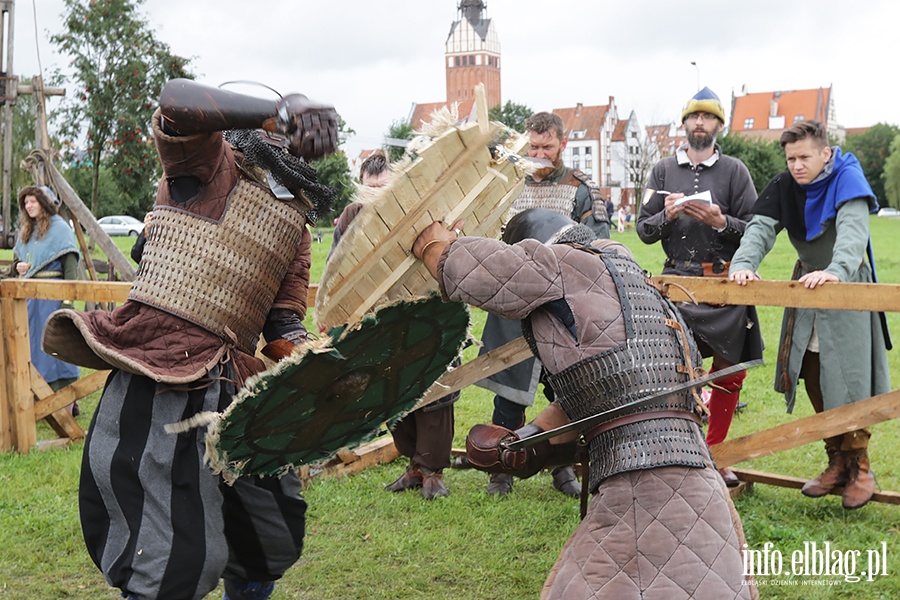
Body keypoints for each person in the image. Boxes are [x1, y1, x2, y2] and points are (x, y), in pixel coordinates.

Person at [42, 78, 338, 600]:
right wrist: (277, 110)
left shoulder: (294, 219)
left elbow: (282, 326)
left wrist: (321, 366)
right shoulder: (206, 165)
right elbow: (176, 101)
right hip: (162, 380)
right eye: (276, 130)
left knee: (263, 540)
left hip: (236, 393)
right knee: (165, 556)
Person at [411, 208, 753, 599]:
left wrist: (437, 247)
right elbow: (604, 391)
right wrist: (525, 444)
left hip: (643, 487)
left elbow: (482, 271)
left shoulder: (564, 262)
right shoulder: (635, 282)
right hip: (699, 484)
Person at [730, 119, 890, 510]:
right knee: (813, 371)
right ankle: (836, 461)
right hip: (807, 287)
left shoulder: (848, 178)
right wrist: (744, 263)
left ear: (826, 154)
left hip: (847, 287)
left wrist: (836, 272)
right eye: (790, 159)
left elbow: (853, 234)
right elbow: (760, 229)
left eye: (804, 157)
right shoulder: (786, 184)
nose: (797, 165)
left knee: (849, 377)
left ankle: (860, 465)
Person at [475, 111, 610, 497]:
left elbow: (595, 245)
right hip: (512, 295)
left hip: (559, 302)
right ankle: (501, 468)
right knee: (508, 388)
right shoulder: (508, 184)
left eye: (546, 146)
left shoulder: (580, 188)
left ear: (562, 144)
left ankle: (562, 468)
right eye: (533, 146)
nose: (538, 153)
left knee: (565, 390)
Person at [636, 87, 762, 487]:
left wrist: (719, 221)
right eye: (694, 117)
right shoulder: (660, 171)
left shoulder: (735, 171)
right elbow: (643, 230)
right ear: (684, 124)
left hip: (722, 281)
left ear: (719, 126)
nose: (700, 123)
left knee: (728, 374)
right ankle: (677, 453)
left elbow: (754, 228)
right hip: (676, 281)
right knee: (670, 371)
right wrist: (668, 216)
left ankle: (717, 453)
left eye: (708, 118)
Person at [327, 151, 456, 500]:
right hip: (378, 318)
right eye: (369, 190)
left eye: (382, 189)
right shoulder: (352, 215)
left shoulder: (420, 211)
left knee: (433, 390)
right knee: (390, 391)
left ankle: (432, 471)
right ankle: (414, 467)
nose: (374, 197)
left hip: (425, 310)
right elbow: (335, 266)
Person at [10, 185, 81, 414]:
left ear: (44, 203)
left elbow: (70, 267)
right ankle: (36, 399)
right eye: (26, 203)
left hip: (53, 299)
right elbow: (16, 264)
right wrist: (17, 267)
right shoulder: (26, 231)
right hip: (31, 301)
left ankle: (66, 403)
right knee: (32, 349)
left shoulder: (60, 229)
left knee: (56, 347)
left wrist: (67, 302)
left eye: (33, 201)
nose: (29, 206)